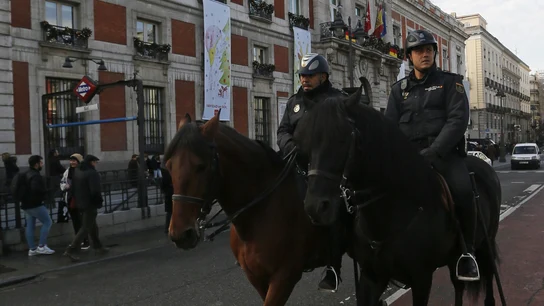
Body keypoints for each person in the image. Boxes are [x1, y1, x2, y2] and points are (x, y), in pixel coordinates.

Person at [384, 29, 479, 281]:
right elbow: (389, 128)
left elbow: (458, 120)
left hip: (445, 157)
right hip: (408, 160)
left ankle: (467, 253)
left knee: (462, 191)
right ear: (409, 57)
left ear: (435, 54)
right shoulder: (398, 90)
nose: (424, 54)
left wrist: (434, 152)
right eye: (418, 50)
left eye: (428, 50)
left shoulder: (451, 83)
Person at [277, 53, 348, 292]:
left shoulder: (337, 99)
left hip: (325, 170)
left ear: (323, 76)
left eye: (310, 76)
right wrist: (289, 147)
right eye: (302, 75)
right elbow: (283, 130)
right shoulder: (293, 102)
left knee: (336, 211)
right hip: (295, 164)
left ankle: (333, 267)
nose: (305, 80)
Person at [63, 155, 108, 261]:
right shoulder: (92, 173)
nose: (95, 164)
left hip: (79, 203)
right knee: (86, 227)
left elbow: (72, 188)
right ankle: (71, 249)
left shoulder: (78, 171)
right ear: (91, 162)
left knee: (92, 225)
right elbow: (95, 191)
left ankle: (98, 246)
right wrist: (98, 202)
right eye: (95, 162)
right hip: (90, 203)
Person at [21, 155, 55, 256]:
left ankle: (32, 249)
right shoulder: (35, 175)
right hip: (35, 204)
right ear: (36, 164)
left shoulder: (26, 173)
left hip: (26, 204)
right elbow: (36, 189)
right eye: (41, 162)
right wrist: (44, 193)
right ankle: (41, 246)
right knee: (48, 222)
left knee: (30, 226)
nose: (42, 164)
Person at [60, 153, 90, 249]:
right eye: (71, 160)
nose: (72, 162)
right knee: (75, 221)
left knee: (82, 221)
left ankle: (86, 241)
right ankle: (79, 240)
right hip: (71, 199)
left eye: (74, 160)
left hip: (81, 199)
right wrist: (65, 186)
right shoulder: (68, 171)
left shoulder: (83, 171)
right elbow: (62, 182)